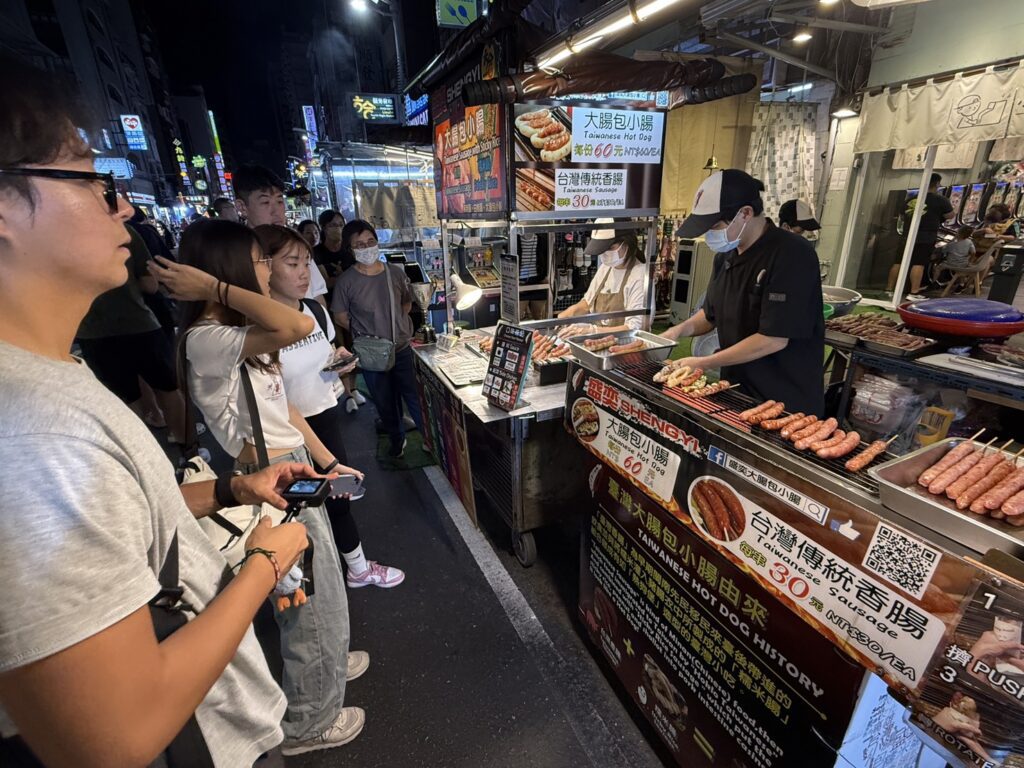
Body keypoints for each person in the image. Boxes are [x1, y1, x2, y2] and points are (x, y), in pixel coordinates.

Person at [0, 55, 311, 767]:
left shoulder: (49, 381)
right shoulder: (34, 433)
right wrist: (265, 560)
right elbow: (117, 737)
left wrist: (229, 492)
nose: (126, 208)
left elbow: (124, 523)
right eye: (94, 182)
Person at [153, 219, 369, 755]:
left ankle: (329, 662)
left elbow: (282, 407)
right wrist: (215, 289)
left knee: (320, 586)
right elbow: (295, 327)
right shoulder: (208, 338)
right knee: (305, 597)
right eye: (258, 262)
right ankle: (308, 723)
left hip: (288, 460)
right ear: (224, 271)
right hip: (264, 473)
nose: (267, 271)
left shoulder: (235, 334)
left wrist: (326, 462)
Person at [257, 224, 405, 587]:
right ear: (263, 267)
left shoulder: (313, 311)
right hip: (283, 433)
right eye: (292, 263)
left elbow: (323, 353)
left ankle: (354, 570)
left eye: (306, 262)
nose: (305, 272)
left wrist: (338, 358)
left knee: (336, 498)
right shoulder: (256, 325)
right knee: (295, 511)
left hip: (324, 415)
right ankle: (305, 582)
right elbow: (273, 393)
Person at [661, 169, 825, 416]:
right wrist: (676, 331)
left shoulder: (793, 255)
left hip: (784, 402)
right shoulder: (726, 256)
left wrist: (704, 363)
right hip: (737, 389)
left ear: (745, 213)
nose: (709, 235)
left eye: (714, 226)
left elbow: (773, 338)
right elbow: (710, 314)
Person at [331, 219, 423, 458]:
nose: (367, 248)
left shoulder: (394, 272)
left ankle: (429, 440)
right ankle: (396, 438)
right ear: (350, 249)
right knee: (384, 401)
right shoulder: (346, 282)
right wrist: (367, 329)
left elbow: (406, 301)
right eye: (359, 244)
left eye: (370, 241)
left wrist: (395, 324)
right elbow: (340, 316)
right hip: (371, 353)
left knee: (414, 397)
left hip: (402, 347)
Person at [233, 164, 329, 307]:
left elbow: (318, 298)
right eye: (265, 202)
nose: (276, 211)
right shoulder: (236, 256)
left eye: (279, 201)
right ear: (241, 207)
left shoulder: (297, 246)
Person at [558, 219, 647, 333]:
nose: (605, 254)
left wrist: (593, 331)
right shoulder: (606, 268)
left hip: (626, 346)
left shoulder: (639, 276)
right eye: (601, 249)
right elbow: (587, 304)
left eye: (610, 248)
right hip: (599, 344)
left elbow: (634, 328)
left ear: (627, 243)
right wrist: (567, 315)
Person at [314, 210, 364, 413]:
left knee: (353, 348)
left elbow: (356, 276)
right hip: (329, 308)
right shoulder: (317, 253)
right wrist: (345, 278)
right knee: (339, 348)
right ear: (324, 228)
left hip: (353, 306)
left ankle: (354, 388)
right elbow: (326, 283)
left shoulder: (347, 251)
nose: (338, 229)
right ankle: (346, 394)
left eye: (341, 224)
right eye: (334, 225)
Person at [888, 173, 954, 297]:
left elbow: (901, 216)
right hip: (926, 236)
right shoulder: (941, 200)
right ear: (937, 184)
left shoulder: (911, 199)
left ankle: (889, 290)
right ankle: (914, 292)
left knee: (898, 262)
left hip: (907, 235)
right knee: (919, 263)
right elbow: (950, 215)